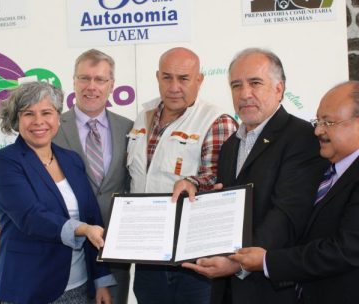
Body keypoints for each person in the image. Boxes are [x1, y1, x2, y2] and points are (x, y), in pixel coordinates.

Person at [174, 48, 328, 304]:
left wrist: (236, 261)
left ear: (279, 89)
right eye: (236, 85)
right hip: (227, 289)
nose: (245, 94)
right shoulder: (231, 144)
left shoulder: (301, 137)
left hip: (272, 290)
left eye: (255, 83)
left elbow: (288, 214)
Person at [229, 80, 359, 304]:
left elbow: (344, 250)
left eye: (328, 122)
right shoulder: (324, 172)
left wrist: (267, 261)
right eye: (318, 121)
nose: (318, 130)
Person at [127, 47, 238, 304]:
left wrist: (191, 182)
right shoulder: (142, 118)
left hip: (194, 260)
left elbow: (220, 181)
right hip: (148, 254)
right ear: (157, 77)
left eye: (184, 78)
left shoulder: (216, 121)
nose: (174, 86)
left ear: (199, 80)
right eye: (167, 77)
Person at [0, 81, 114, 304]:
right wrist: (83, 229)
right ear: (16, 120)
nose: (39, 121)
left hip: (79, 286)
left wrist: (101, 279)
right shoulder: (5, 162)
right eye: (28, 113)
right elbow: (31, 217)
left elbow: (92, 215)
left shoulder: (71, 159)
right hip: (30, 287)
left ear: (58, 117)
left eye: (46, 112)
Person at [54, 49, 133, 304]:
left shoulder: (130, 128)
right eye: (84, 78)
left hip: (114, 247)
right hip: (65, 247)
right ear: (73, 81)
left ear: (111, 85)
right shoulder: (50, 127)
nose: (91, 87)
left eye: (99, 80)